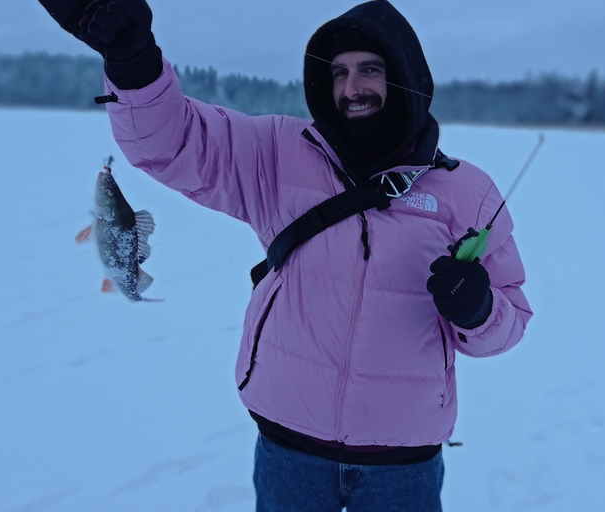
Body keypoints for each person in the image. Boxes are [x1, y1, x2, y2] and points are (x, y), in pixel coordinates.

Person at [37, 0, 533, 510]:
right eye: (338, 72)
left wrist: (479, 309)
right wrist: (134, 63)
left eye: (370, 69)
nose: (351, 87)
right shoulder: (277, 153)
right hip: (289, 451)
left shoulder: (466, 192)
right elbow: (174, 143)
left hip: (404, 465)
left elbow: (511, 320)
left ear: (406, 76)